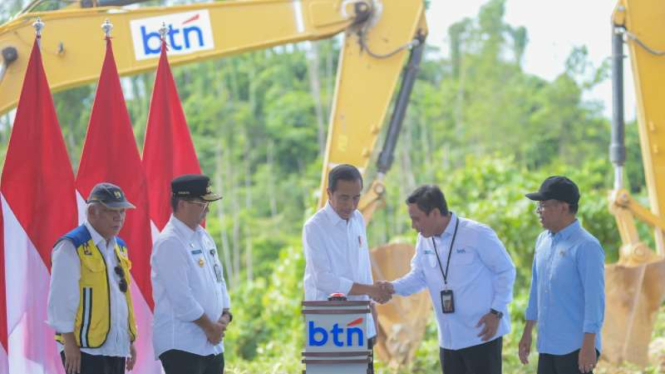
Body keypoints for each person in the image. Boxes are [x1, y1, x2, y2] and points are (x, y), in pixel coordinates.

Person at [384, 184, 516, 374]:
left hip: (481, 336)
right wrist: (391, 287)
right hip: (449, 341)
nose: (413, 226)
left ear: (435, 213)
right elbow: (419, 276)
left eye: (417, 219)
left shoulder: (477, 233)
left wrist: (496, 312)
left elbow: (506, 270)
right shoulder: (424, 239)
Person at [302, 164, 392, 374]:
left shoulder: (358, 219)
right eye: (344, 197)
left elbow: (363, 268)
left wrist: (374, 311)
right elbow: (323, 279)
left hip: (361, 319)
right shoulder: (314, 227)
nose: (350, 205)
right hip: (328, 323)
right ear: (329, 193)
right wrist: (370, 290)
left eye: (356, 198)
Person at [48, 182, 138, 374]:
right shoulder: (71, 245)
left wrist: (127, 340)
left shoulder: (119, 247)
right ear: (92, 212)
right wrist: (69, 343)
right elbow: (60, 300)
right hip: (84, 348)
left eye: (122, 211)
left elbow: (121, 298)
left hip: (115, 346)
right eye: (111, 210)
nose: (118, 217)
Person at [519, 176, 605, 374]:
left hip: (575, 346)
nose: (538, 211)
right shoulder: (543, 240)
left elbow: (595, 300)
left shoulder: (587, 246)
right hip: (547, 344)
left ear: (564, 207)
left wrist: (588, 345)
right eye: (538, 206)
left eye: (543, 205)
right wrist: (527, 331)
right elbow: (536, 289)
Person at [151, 174, 231, 374]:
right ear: (183, 204)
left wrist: (225, 315)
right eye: (202, 204)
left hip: (211, 344)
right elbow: (181, 297)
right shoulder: (170, 242)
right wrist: (210, 328)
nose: (207, 209)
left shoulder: (203, 237)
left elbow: (218, 280)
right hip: (182, 344)